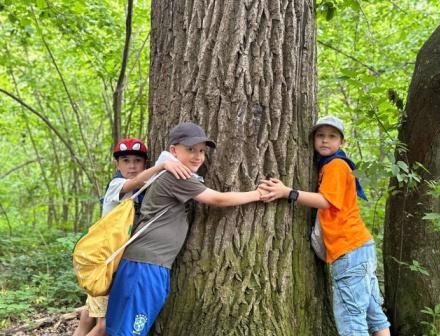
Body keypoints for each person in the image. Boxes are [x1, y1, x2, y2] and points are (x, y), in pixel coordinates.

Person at [105, 122, 266, 336]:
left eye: (201, 150)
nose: (197, 156)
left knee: (118, 329)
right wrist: (259, 194)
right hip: (147, 266)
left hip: (140, 263)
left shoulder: (172, 173)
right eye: (190, 149)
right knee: (132, 331)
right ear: (173, 151)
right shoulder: (176, 176)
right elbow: (218, 199)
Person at [259, 116, 391, 336]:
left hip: (348, 250)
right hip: (361, 248)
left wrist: (287, 192)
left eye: (332, 136)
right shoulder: (332, 165)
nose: (325, 141)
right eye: (320, 136)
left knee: (352, 322)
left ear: (342, 142)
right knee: (374, 314)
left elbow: (327, 201)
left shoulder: (336, 166)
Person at [73, 138, 192, 336]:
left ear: (144, 162)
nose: (132, 165)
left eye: (137, 160)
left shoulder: (144, 192)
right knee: (103, 325)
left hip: (115, 263)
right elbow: (136, 182)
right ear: (116, 164)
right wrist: (162, 165)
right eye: (125, 160)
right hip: (106, 263)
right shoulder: (117, 185)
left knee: (88, 315)